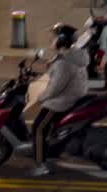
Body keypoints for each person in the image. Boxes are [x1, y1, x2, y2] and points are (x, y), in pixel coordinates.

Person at [30, 23, 89, 176]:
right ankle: (54, 150)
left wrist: (40, 98)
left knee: (38, 128)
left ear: (62, 40)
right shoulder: (74, 55)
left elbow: (55, 88)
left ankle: (40, 165)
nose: (52, 40)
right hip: (74, 96)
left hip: (62, 101)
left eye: (55, 37)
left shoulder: (64, 63)